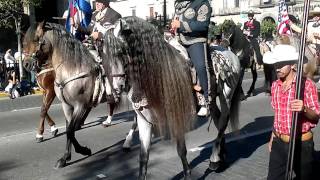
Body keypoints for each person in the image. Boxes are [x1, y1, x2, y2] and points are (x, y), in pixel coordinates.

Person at [263, 41, 320, 180]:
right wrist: (273, 137)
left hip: (301, 143)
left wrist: (304, 109)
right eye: (276, 64)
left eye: (281, 64)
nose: (277, 68)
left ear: (293, 65)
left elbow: (316, 116)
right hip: (279, 142)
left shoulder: (306, 85)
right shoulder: (275, 86)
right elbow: (278, 115)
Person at [171, 0, 212, 116]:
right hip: (179, 41)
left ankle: (206, 100)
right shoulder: (179, 5)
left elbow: (203, 25)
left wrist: (181, 25)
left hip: (195, 41)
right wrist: (173, 27)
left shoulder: (202, 3)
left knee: (200, 66)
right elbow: (176, 21)